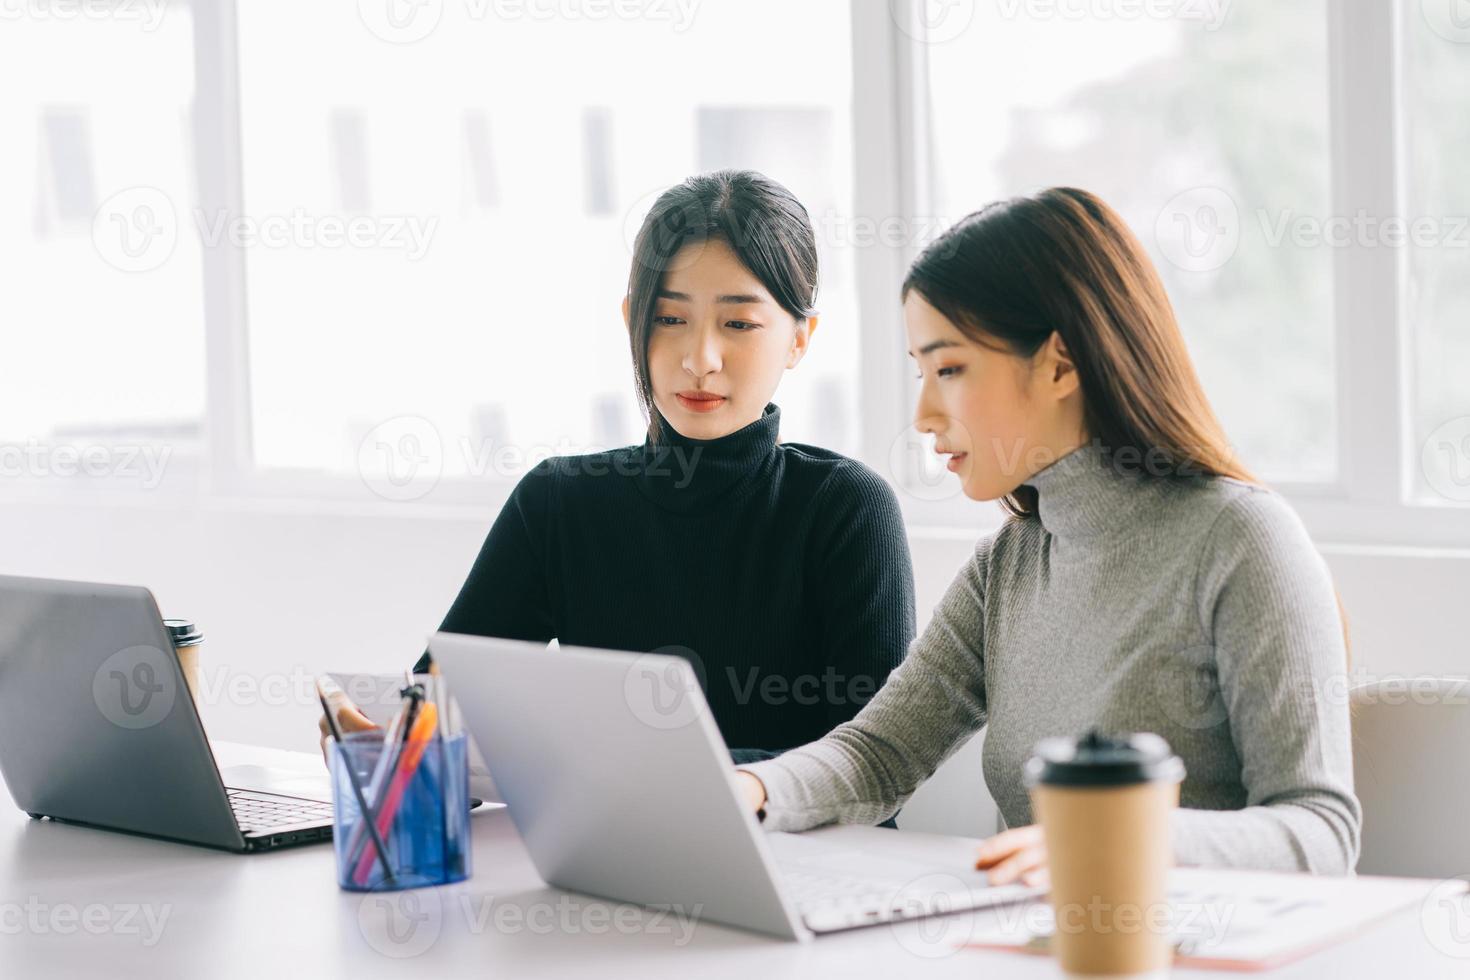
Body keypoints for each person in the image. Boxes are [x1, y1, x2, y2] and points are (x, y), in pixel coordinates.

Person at [733, 187, 1361, 883]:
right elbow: (880, 752)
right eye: (921, 373)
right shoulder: (1009, 562)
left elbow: (1321, 830)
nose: (923, 414)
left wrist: (1112, 840)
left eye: (949, 369)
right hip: (1032, 944)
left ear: (1060, 364)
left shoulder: (1242, 540)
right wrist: (753, 792)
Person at [321, 170, 916, 778]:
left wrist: (643, 780)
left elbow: (873, 768)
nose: (698, 360)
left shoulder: (845, 507)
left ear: (799, 338)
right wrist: (380, 735)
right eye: (669, 319)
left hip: (806, 861)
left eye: (738, 324)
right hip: (610, 857)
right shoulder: (558, 504)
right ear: (633, 320)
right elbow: (438, 712)